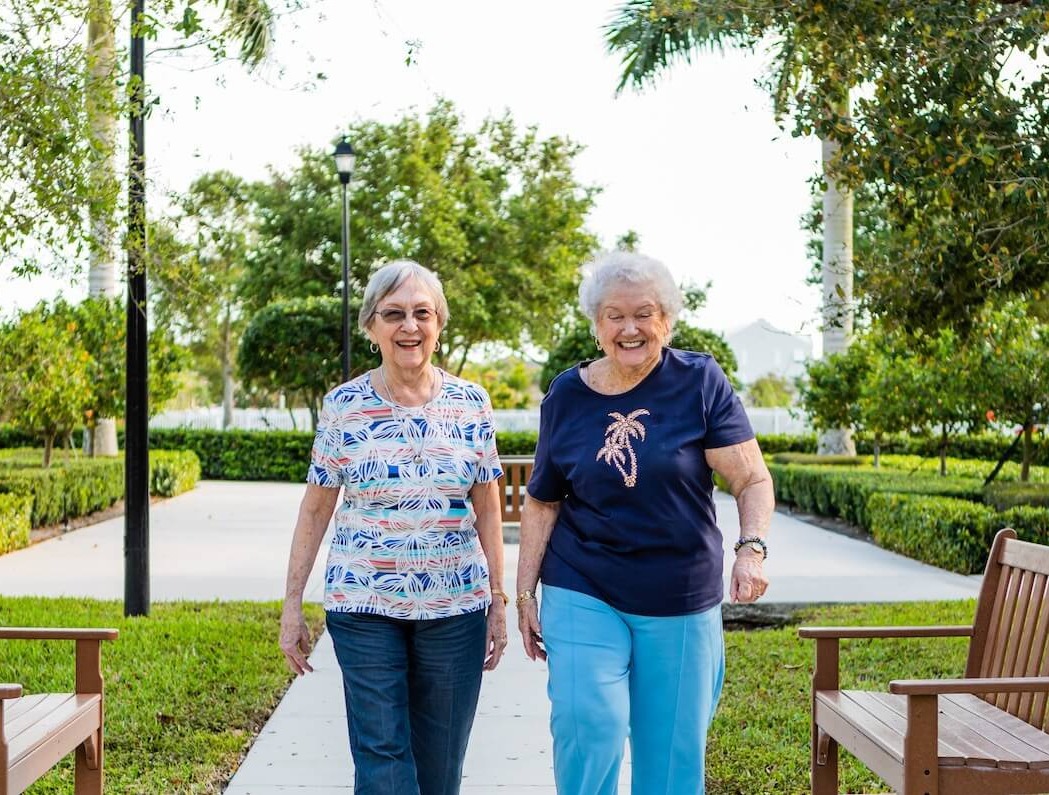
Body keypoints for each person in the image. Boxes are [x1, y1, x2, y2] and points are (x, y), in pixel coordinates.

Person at [516, 250, 774, 795]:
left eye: (644, 313)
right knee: (591, 726)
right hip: (582, 583)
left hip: (679, 591)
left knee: (672, 755)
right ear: (596, 324)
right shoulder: (566, 394)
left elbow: (751, 479)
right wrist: (523, 595)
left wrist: (750, 548)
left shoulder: (698, 381)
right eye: (615, 315)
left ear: (667, 320)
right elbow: (543, 501)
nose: (630, 328)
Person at [279, 259, 509, 795]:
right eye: (394, 314)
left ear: (439, 324)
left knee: (440, 765)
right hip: (364, 606)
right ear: (372, 327)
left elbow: (489, 506)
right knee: (382, 755)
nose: (409, 326)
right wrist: (292, 603)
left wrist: (499, 601)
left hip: (454, 608)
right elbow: (315, 510)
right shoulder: (344, 407)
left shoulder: (471, 402)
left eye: (422, 313)